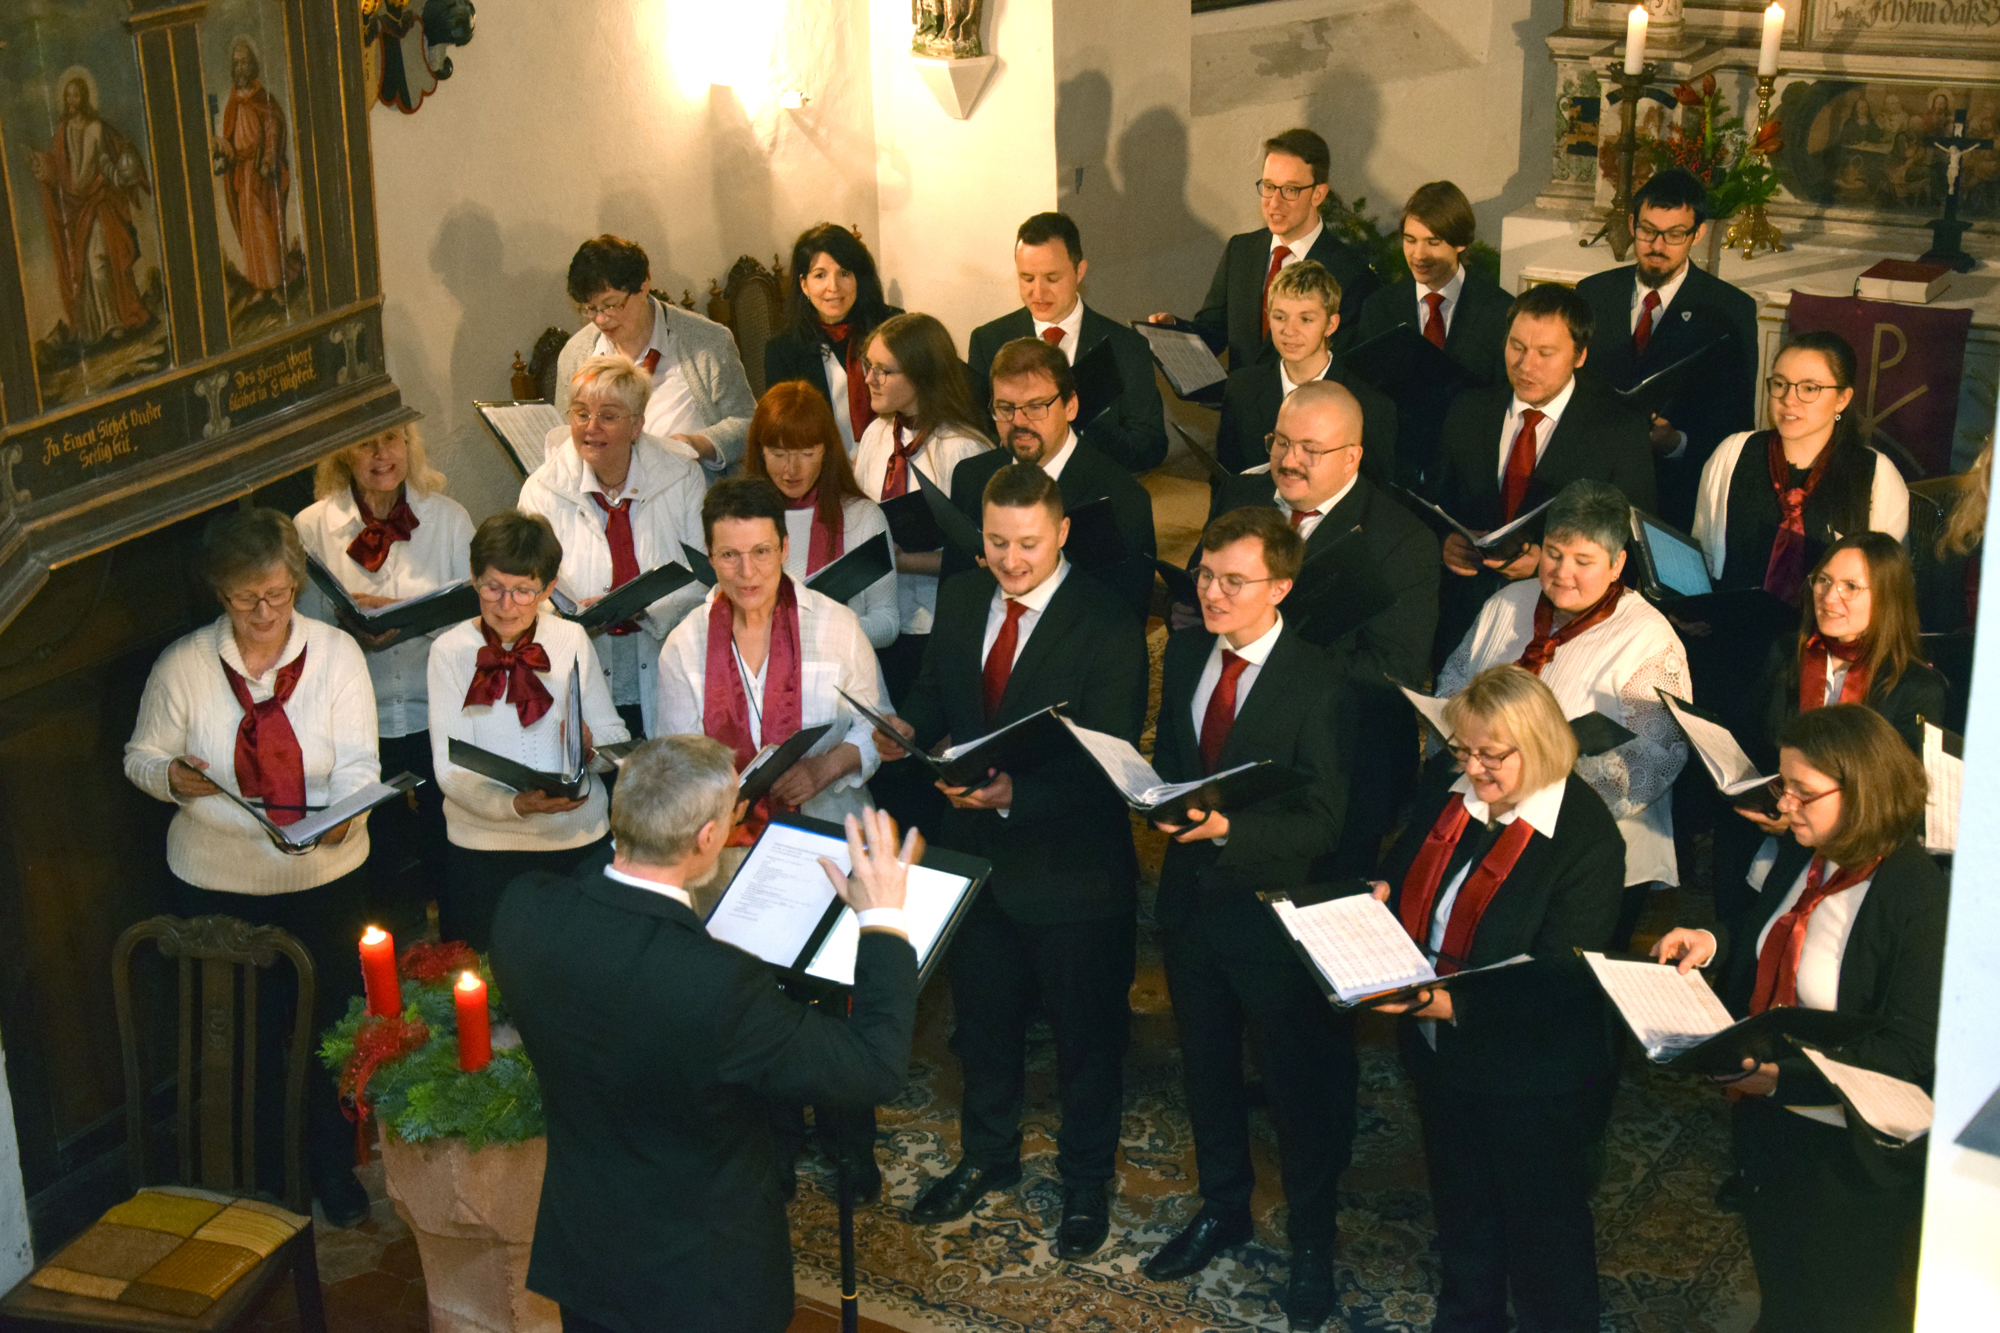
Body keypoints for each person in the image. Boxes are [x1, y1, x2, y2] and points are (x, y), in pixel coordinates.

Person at [491, 746, 922, 1333]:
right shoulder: (719, 985)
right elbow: (872, 1067)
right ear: (708, 837)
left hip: (589, 1256)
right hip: (702, 1285)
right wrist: (882, 919)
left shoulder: (524, 909)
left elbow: (599, 888)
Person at [872, 463, 1148, 1258]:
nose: (1011, 560)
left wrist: (1015, 795)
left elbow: (1114, 761)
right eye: (997, 541)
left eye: (1027, 543)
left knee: (1085, 1041)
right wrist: (906, 726)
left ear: (1061, 532)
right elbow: (938, 691)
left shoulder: (1106, 620)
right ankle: (987, 1155)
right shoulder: (964, 596)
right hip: (977, 861)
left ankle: (1086, 1180)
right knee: (984, 1026)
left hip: (1072, 871)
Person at [123, 508, 381, 1225]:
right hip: (218, 882)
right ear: (220, 594)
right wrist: (173, 777)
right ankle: (263, 1176)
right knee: (244, 1037)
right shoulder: (183, 664)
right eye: (246, 600)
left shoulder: (336, 655)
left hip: (323, 880)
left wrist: (347, 816)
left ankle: (331, 1166)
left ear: (296, 582)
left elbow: (360, 765)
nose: (265, 613)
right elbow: (140, 756)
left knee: (327, 1030)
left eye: (277, 594)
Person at [1653, 705, 1946, 1333]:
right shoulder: (1810, 855)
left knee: (1845, 1306)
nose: (1784, 806)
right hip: (1772, 1121)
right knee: (1784, 1285)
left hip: (1849, 1149)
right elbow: (1776, 934)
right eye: (1783, 786)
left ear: (1862, 791)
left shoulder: (1917, 895)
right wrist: (1713, 940)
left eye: (1801, 792)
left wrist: (1785, 1079)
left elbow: (1910, 1050)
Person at [1141, 507, 1355, 1330]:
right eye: (1205, 574)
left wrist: (1231, 828)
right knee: (1205, 1070)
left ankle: (1311, 1242)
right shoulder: (1186, 651)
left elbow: (1324, 820)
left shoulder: (1319, 680)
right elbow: (1174, 761)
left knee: (1295, 1090)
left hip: (1269, 918)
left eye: (1235, 580)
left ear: (1281, 587)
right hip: (1189, 906)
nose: (1213, 593)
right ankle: (1223, 1206)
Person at [1369, 665, 1625, 1333]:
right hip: (1440, 1049)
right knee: (1462, 1201)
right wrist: (1382, 894)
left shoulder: (1586, 839)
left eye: (1491, 755)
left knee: (1543, 1229)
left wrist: (1453, 1005)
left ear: (1538, 745)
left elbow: (1564, 978)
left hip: (1531, 1071)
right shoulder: (1452, 791)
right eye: (1463, 750)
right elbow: (1405, 865)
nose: (1473, 768)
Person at [1437, 481, 1690, 948]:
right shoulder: (1507, 604)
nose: (1562, 573)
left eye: (1583, 561)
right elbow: (1454, 687)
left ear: (1617, 564)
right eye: (1553, 554)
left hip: (1589, 852)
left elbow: (1657, 758)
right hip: (1489, 829)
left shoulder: (1649, 638)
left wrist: (1539, 787)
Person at [1207, 381, 1439, 874]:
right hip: (1230, 726)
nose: (1289, 460)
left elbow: (1393, 671)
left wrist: (1277, 657)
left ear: (1352, 457)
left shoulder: (1402, 541)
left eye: (1311, 449)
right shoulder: (1240, 493)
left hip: (1338, 755)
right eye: (1281, 442)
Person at [1714, 535, 1949, 919]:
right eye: (1823, 580)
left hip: (1851, 872)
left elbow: (1900, 799)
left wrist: (1806, 813)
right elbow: (1749, 742)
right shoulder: (1787, 653)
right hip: (1761, 852)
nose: (1828, 596)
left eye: (1850, 586)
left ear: (1887, 597)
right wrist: (1763, 800)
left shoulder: (1916, 687)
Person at [426, 510, 629, 950]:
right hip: (483, 847)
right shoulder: (449, 651)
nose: (506, 605)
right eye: (492, 588)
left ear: (549, 588)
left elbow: (613, 735)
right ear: (473, 578)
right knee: (486, 977)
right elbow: (449, 769)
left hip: (575, 840)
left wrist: (592, 752)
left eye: (523, 591)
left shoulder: (570, 639)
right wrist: (514, 805)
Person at [295, 421, 473, 914]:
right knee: (378, 863)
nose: (381, 454)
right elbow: (302, 632)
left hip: (437, 712)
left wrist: (408, 617)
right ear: (342, 454)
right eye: (364, 442)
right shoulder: (310, 527)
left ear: (409, 445)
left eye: (392, 439)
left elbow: (477, 623)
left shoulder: (448, 519)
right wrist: (350, 628)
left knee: (448, 850)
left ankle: (456, 949)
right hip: (356, 724)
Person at [1432, 282, 1656, 663]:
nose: (1525, 365)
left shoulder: (1617, 431)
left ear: (1580, 356)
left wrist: (1548, 565)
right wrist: (1444, 543)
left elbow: (1634, 545)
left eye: (1545, 353)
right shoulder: (1468, 409)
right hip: (1464, 626)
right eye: (1516, 346)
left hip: (1562, 634)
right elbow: (1434, 505)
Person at [656, 477, 887, 830]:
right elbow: (678, 761)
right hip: (724, 841)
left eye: (761, 552)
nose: (747, 572)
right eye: (730, 555)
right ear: (710, 557)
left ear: (784, 548)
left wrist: (826, 767)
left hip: (829, 830)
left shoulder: (838, 625)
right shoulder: (683, 645)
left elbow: (877, 725)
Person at [520, 353, 708, 739]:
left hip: (667, 661)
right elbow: (526, 588)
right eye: (580, 413)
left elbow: (705, 575)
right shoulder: (541, 490)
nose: (591, 427)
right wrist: (570, 617)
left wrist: (648, 609)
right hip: (581, 664)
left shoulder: (682, 475)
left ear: (637, 425)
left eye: (608, 416)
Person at [1575, 168, 1761, 530]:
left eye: (1675, 235)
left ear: (1698, 234)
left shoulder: (1730, 310)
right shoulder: (1593, 293)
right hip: (1592, 484)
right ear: (1632, 224)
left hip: (1674, 496)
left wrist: (1676, 442)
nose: (1657, 246)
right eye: (1648, 231)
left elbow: (1735, 426)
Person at [946, 337, 1158, 619]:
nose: (1019, 421)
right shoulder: (970, 477)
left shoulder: (1121, 497)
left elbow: (1125, 618)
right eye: (1005, 408)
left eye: (1036, 406)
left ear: (1070, 406)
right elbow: (953, 595)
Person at [1693, 331, 1909, 600]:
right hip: (1732, 621)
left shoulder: (1877, 475)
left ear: (1842, 398)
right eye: (1780, 384)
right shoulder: (1732, 453)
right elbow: (1702, 558)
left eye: (1809, 388)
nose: (1788, 399)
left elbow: (1887, 591)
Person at [848, 312, 994, 699]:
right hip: (878, 615)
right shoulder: (876, 434)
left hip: (934, 623)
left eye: (884, 370)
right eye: (868, 365)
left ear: (921, 375)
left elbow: (985, 558)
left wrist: (905, 560)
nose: (869, 379)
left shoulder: (963, 449)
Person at [1151, 128, 1378, 366]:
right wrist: (1173, 332)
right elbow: (1213, 332)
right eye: (1269, 187)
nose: (1274, 203)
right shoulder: (1241, 251)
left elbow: (1345, 365)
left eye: (1290, 190)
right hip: (1240, 391)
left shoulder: (1351, 273)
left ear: (1318, 195)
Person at [965, 211, 1167, 473]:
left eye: (1052, 278)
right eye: (1027, 278)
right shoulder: (988, 341)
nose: (1038, 292)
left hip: (1097, 485)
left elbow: (1151, 447)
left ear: (1079, 271)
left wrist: (1076, 422)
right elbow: (979, 436)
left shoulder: (1126, 346)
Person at [1351, 181, 1512, 493]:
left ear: (1461, 242)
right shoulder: (1380, 307)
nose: (1418, 255)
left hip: (1467, 480)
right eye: (1410, 240)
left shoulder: (1499, 311)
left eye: (1433, 242)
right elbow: (1367, 397)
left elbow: (1501, 401)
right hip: (1395, 478)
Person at [554, 234, 756, 476]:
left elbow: (748, 423)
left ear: (643, 286)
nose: (600, 319)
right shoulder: (575, 355)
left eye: (611, 305)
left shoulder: (707, 341)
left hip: (691, 485)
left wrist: (696, 445)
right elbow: (563, 437)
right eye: (590, 309)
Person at [1212, 259, 1398, 485]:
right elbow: (1225, 479)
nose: (1289, 331)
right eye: (1280, 317)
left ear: (1330, 325)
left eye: (1306, 319)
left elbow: (1374, 493)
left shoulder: (1370, 404)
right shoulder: (1242, 387)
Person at [743, 381, 899, 648]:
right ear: (761, 452)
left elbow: (887, 622)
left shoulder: (862, 517)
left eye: (806, 454)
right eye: (778, 454)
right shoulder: (741, 520)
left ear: (826, 451)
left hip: (841, 667)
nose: (791, 470)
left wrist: (822, 629)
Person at [30, 71, 155, 344]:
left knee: (102, 261)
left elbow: (105, 160)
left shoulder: (96, 127)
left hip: (99, 201)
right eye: (68, 96)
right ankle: (96, 329)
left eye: (76, 95)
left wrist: (118, 176)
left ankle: (115, 321)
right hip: (77, 207)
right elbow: (58, 168)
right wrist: (42, 163)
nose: (72, 100)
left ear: (84, 97)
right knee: (85, 268)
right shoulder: (62, 133)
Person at [763, 222, 900, 457]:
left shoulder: (893, 327)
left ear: (858, 278)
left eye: (844, 273)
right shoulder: (782, 350)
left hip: (897, 458)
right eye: (820, 275)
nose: (833, 287)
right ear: (804, 285)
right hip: (828, 467)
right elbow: (787, 433)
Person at [212, 36, 292, 305]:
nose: (240, 68)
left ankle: (276, 285)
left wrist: (268, 160)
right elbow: (231, 140)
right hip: (242, 173)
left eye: (245, 62)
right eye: (236, 63)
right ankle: (259, 286)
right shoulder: (232, 103)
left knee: (266, 227)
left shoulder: (262, 99)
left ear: (253, 65)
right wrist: (220, 147)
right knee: (249, 231)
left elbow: (272, 129)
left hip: (260, 171)